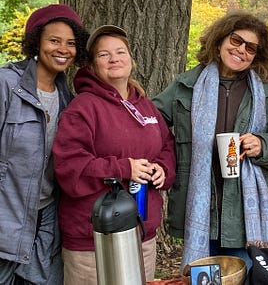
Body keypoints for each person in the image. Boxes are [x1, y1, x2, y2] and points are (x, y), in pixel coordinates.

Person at [152, 11, 268, 270]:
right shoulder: (186, 85)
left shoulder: (267, 93)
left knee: (241, 276)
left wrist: (263, 144)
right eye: (236, 40)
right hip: (199, 205)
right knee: (202, 275)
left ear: (257, 55)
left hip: (243, 213)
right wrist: (163, 159)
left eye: (251, 47)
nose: (241, 50)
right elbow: (150, 124)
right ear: (220, 40)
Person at [52, 25, 176, 283]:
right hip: (94, 239)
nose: (114, 58)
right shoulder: (83, 108)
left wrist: (162, 169)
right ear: (93, 65)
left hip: (142, 234)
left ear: (131, 59)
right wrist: (122, 169)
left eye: (120, 52)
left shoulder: (145, 106)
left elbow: (167, 145)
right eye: (104, 55)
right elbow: (69, 166)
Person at [0, 4, 89, 284]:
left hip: (45, 219)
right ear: (36, 41)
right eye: (54, 40)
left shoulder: (69, 99)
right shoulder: (6, 84)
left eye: (71, 43)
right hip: (6, 217)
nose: (63, 49)